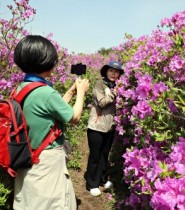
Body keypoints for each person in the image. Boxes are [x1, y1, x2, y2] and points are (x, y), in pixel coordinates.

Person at [12, 35, 89, 210]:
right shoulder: (46, 93)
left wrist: (70, 92)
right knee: (52, 203)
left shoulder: (22, 87)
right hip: (46, 161)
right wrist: (82, 92)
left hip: (26, 154)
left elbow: (51, 111)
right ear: (44, 62)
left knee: (29, 200)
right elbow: (74, 117)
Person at [85, 61, 124, 196]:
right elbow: (101, 103)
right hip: (97, 126)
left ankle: (102, 179)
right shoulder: (99, 85)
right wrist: (114, 93)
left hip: (110, 127)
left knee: (104, 155)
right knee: (95, 156)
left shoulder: (119, 86)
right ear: (106, 72)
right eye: (111, 71)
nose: (113, 73)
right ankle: (92, 183)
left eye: (116, 71)